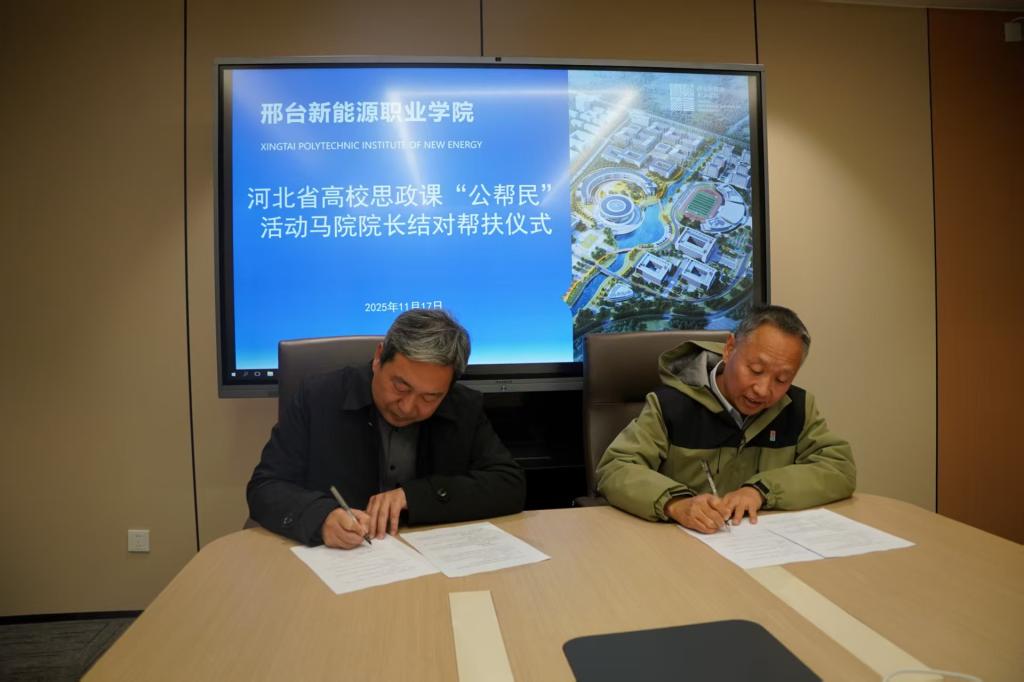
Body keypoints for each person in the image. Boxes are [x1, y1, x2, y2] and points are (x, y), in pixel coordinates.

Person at [247, 309, 526, 548]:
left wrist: (414, 496)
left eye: (429, 397)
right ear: (379, 357)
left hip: (429, 560)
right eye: (400, 386)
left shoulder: (462, 407)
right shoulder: (317, 397)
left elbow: (509, 485)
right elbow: (265, 487)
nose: (408, 407)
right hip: (342, 560)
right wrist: (321, 517)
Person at [595, 304, 855, 534]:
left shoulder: (797, 407)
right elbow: (616, 468)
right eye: (755, 370)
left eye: (782, 379)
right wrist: (675, 503)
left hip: (760, 546)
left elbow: (839, 468)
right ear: (729, 349)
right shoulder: (671, 406)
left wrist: (761, 491)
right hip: (679, 546)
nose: (763, 390)